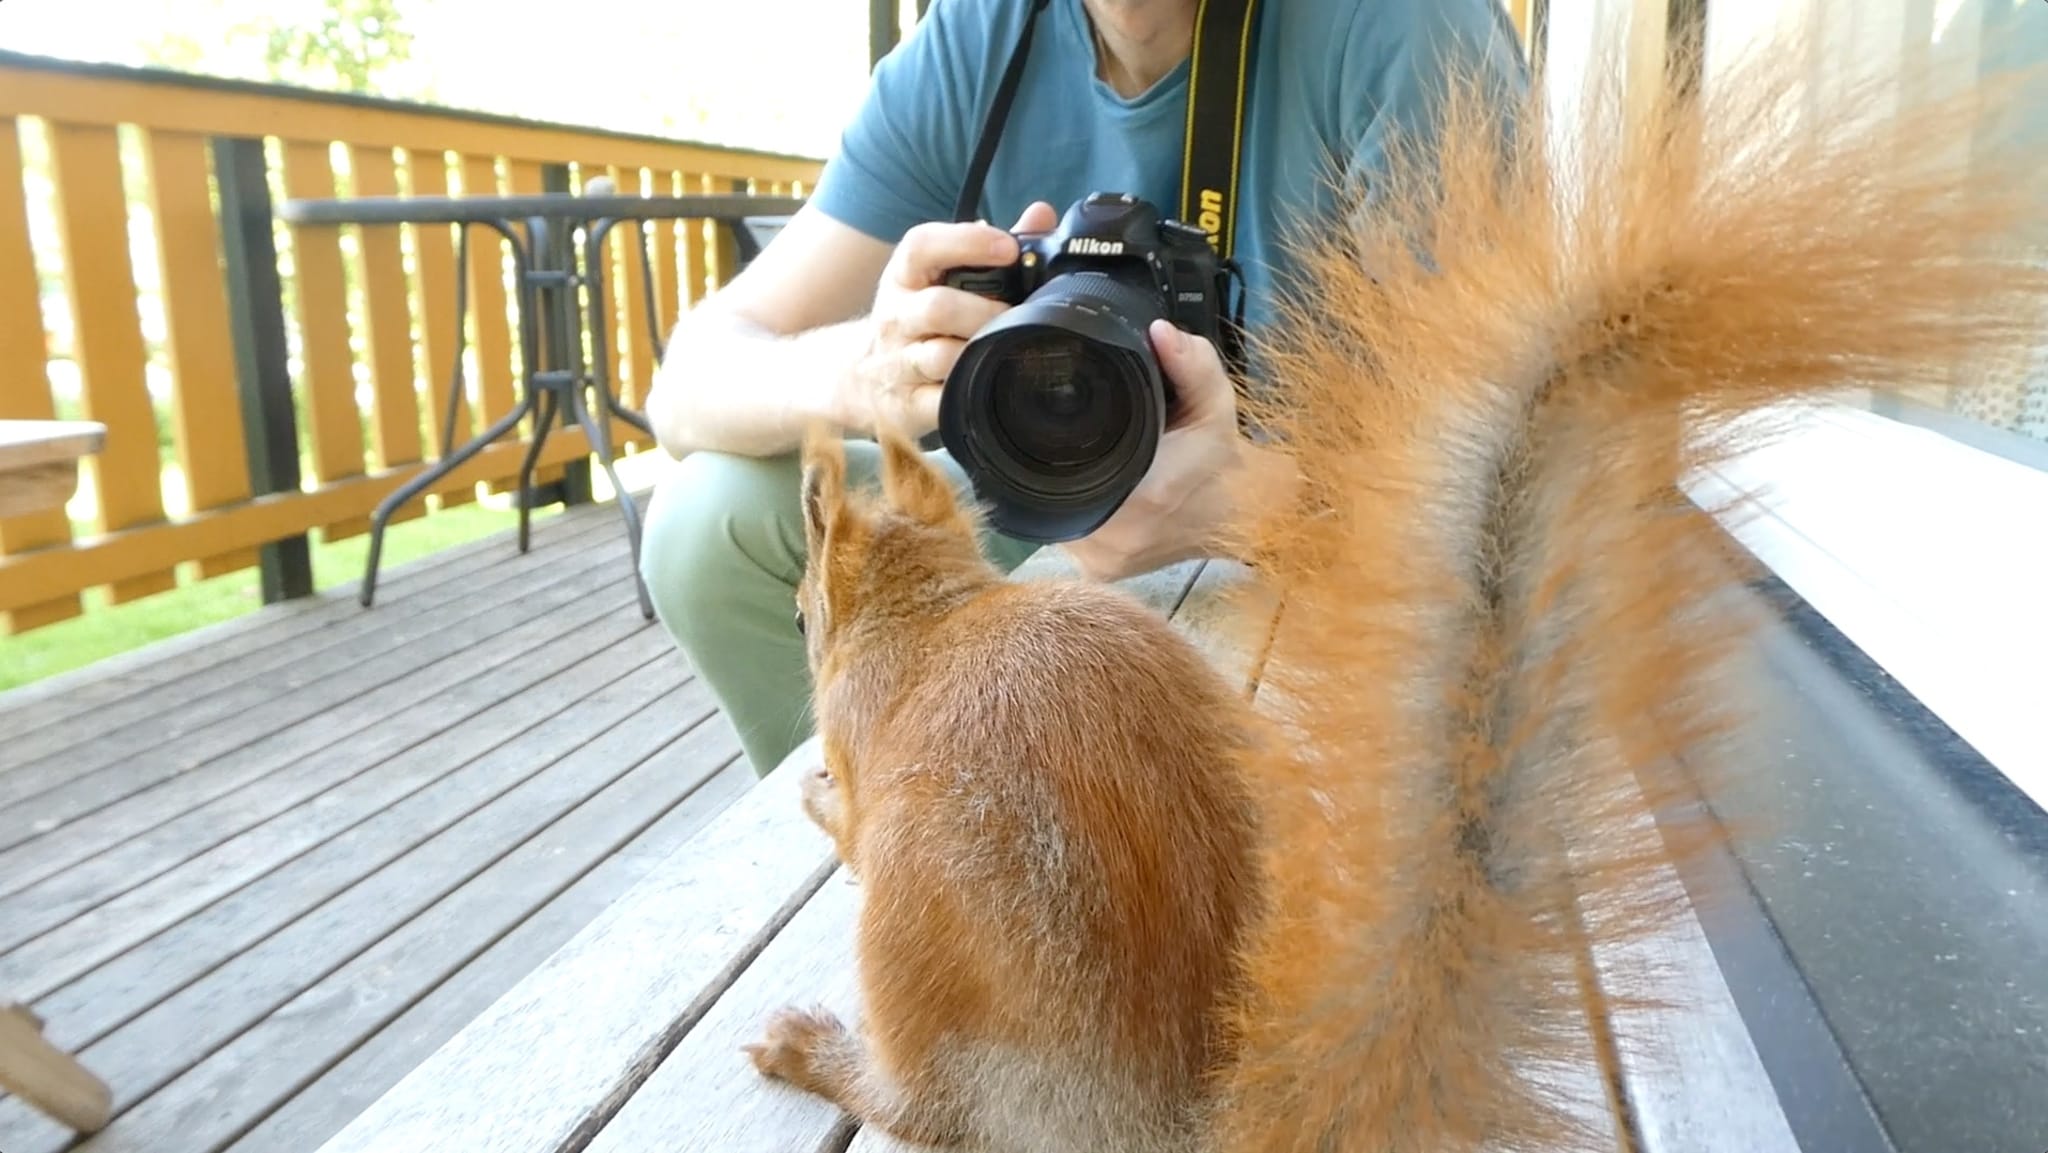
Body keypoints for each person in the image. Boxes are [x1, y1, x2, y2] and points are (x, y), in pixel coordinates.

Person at [637, 0, 1530, 777]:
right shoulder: (981, 39)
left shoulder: (1405, 26)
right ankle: (904, 865)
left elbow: (1513, 486)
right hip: (1034, 495)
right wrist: (871, 368)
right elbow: (689, 385)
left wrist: (1262, 504)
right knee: (707, 521)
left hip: (1333, 563)